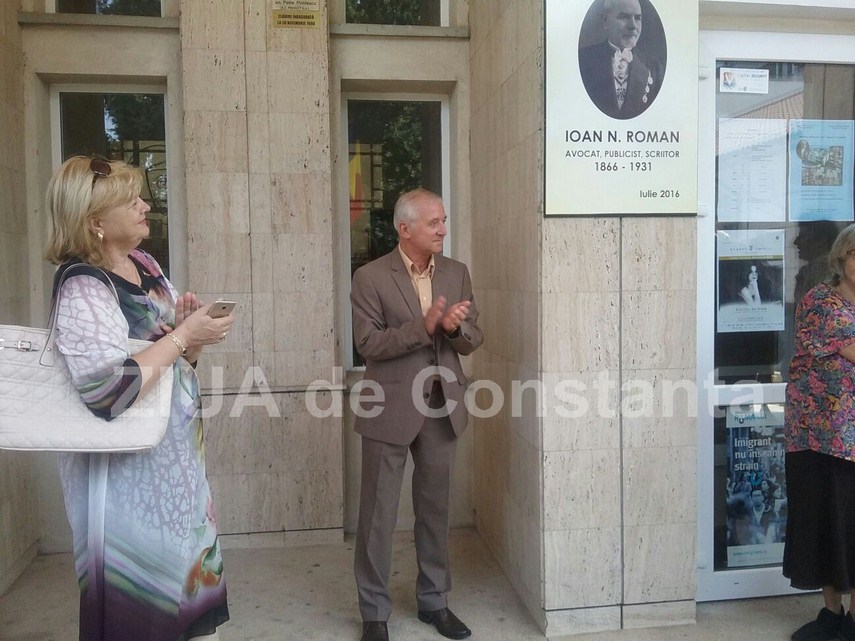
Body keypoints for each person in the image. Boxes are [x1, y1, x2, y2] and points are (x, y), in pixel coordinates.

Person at [43, 155, 235, 641]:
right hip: (125, 483)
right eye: (131, 201)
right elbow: (107, 392)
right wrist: (182, 335)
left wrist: (191, 340)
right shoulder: (83, 285)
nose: (145, 206)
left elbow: (173, 363)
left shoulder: (145, 265)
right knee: (141, 614)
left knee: (187, 608)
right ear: (95, 222)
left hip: (174, 469)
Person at [350, 188, 484, 641]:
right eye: (434, 223)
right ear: (405, 229)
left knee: (435, 510)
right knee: (377, 517)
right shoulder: (370, 277)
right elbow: (368, 343)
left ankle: (434, 602)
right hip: (388, 407)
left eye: (444, 220)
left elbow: (473, 338)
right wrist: (422, 327)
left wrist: (454, 328)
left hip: (442, 408)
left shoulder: (456, 272)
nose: (443, 229)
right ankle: (374, 613)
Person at [784, 223, 855, 641]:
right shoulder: (821, 302)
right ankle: (832, 614)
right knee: (826, 525)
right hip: (820, 437)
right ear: (841, 258)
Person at [578, 0, 664, 119]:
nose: (633, 26)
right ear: (605, 21)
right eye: (624, 17)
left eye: (638, 18)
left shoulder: (654, 68)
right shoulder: (584, 60)